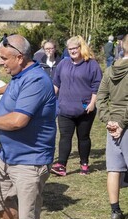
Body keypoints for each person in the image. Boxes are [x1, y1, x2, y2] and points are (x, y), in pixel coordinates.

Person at [0, 34, 56, 219]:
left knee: (28, 214)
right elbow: (14, 85)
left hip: (30, 160)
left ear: (20, 57)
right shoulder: (19, 74)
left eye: (4, 58)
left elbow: (17, 121)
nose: (1, 63)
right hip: (5, 155)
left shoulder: (37, 81)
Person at [51, 35, 102, 176]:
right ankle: (61, 165)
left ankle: (84, 163)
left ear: (81, 48)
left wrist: (92, 103)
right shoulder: (63, 64)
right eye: (70, 49)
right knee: (65, 137)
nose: (72, 51)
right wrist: (48, 100)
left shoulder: (91, 65)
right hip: (65, 109)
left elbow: (97, 86)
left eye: (75, 48)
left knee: (83, 137)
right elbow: (56, 83)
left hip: (85, 109)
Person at [96, 34, 128, 219]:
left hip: (113, 126)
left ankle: (115, 212)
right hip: (123, 125)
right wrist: (122, 123)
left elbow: (101, 99)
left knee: (114, 169)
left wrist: (109, 121)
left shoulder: (109, 70)